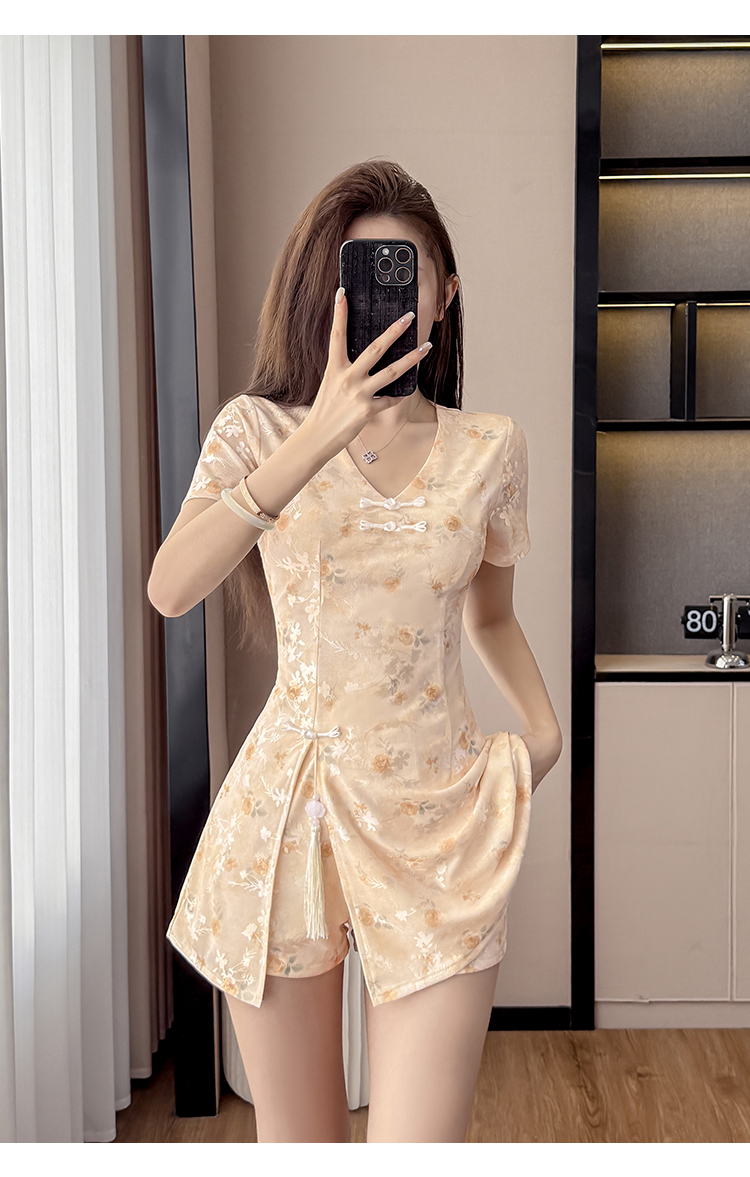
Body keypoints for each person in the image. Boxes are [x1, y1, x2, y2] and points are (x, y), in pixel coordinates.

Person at [148, 159, 563, 1144]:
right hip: (288, 815)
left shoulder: (490, 448)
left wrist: (543, 736)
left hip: (439, 820)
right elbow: (171, 587)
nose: (381, 295)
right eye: (356, 274)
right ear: (322, 294)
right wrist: (320, 434)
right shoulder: (258, 431)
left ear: (443, 295)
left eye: (404, 272)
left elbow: (491, 618)